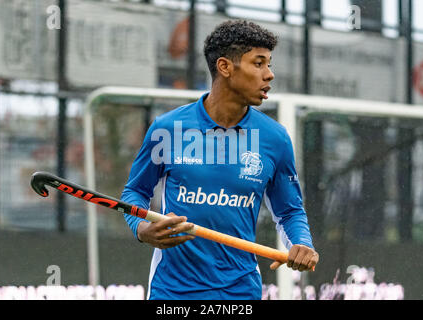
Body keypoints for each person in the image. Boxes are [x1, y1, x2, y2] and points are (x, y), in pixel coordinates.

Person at [121, 19, 319, 300]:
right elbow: (135, 192)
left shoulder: (275, 138)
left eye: (269, 64)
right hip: (173, 292)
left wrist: (301, 243)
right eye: (259, 63)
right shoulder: (168, 129)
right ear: (225, 67)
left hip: (241, 292)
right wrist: (141, 228)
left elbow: (289, 211)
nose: (269, 75)